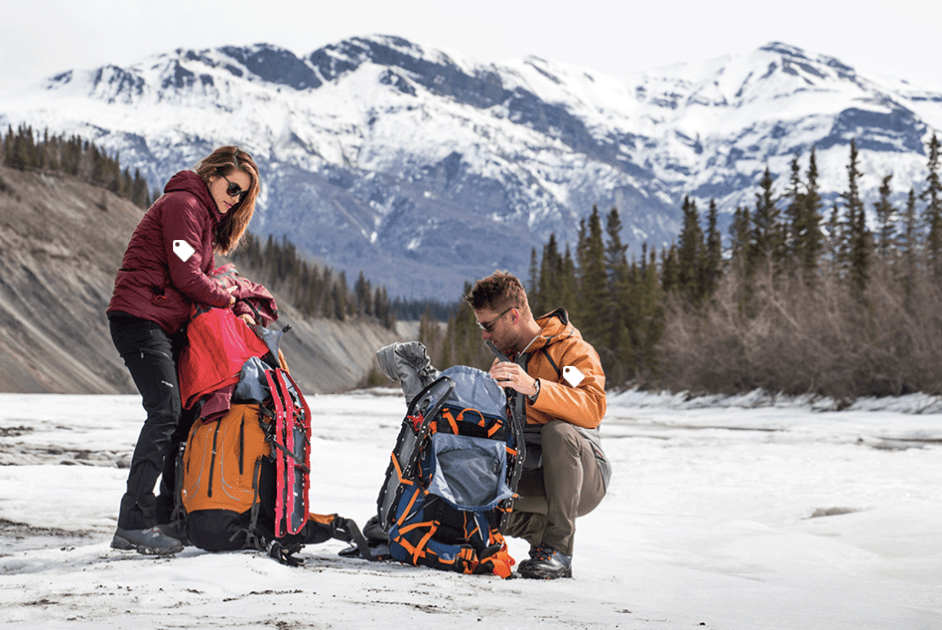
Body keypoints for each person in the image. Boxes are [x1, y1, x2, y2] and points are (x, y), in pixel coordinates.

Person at [106, 146, 260, 554]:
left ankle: (167, 518)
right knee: (165, 413)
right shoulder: (183, 205)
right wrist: (228, 300)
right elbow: (188, 276)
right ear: (211, 175)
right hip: (140, 319)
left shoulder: (203, 220)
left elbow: (206, 274)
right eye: (232, 187)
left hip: (161, 322)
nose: (235, 198)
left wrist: (236, 297)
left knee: (186, 413)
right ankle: (132, 524)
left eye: (243, 194)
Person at [466, 270, 611, 579]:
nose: (484, 335)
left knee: (557, 431)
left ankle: (559, 551)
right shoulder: (505, 362)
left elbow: (592, 406)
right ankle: (540, 535)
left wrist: (534, 388)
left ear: (514, 315)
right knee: (474, 489)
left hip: (583, 476)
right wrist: (488, 398)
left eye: (487, 325)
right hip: (532, 472)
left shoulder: (570, 354)